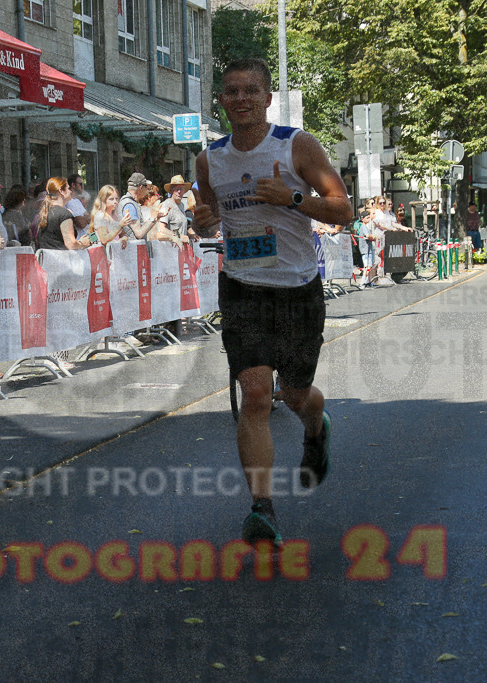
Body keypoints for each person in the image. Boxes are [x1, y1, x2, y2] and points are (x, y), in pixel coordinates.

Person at [193, 57, 353, 546]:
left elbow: (344, 210)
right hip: (242, 287)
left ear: (267, 97)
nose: (240, 99)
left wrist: (294, 200)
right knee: (256, 394)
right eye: (231, 91)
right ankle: (262, 510)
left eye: (251, 91)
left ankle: (315, 426)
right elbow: (211, 216)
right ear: (221, 100)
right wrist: (203, 222)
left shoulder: (295, 145)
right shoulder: (209, 159)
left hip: (297, 288)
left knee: (295, 394)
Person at [35, 177, 91, 250]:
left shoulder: (44, 213)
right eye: (68, 188)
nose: (70, 191)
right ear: (61, 191)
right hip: (62, 259)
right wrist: (82, 243)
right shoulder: (64, 214)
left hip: (48, 259)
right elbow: (71, 244)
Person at [117, 172, 161, 240]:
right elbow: (139, 233)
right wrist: (152, 217)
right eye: (146, 187)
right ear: (140, 188)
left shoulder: (129, 202)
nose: (147, 190)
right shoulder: (129, 205)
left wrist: (155, 218)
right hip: (132, 248)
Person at [64, 173, 91, 238]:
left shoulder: (77, 201)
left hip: (87, 239)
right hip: (78, 242)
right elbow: (81, 223)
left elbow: (90, 219)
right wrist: (85, 219)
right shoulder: (68, 202)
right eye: (81, 184)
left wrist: (84, 218)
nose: (83, 187)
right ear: (73, 185)